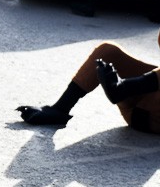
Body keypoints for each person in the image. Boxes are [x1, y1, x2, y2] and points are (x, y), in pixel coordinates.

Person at [16, 34, 160, 133]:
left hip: (153, 120)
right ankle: (61, 108)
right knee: (108, 50)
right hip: (142, 107)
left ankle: (122, 88)